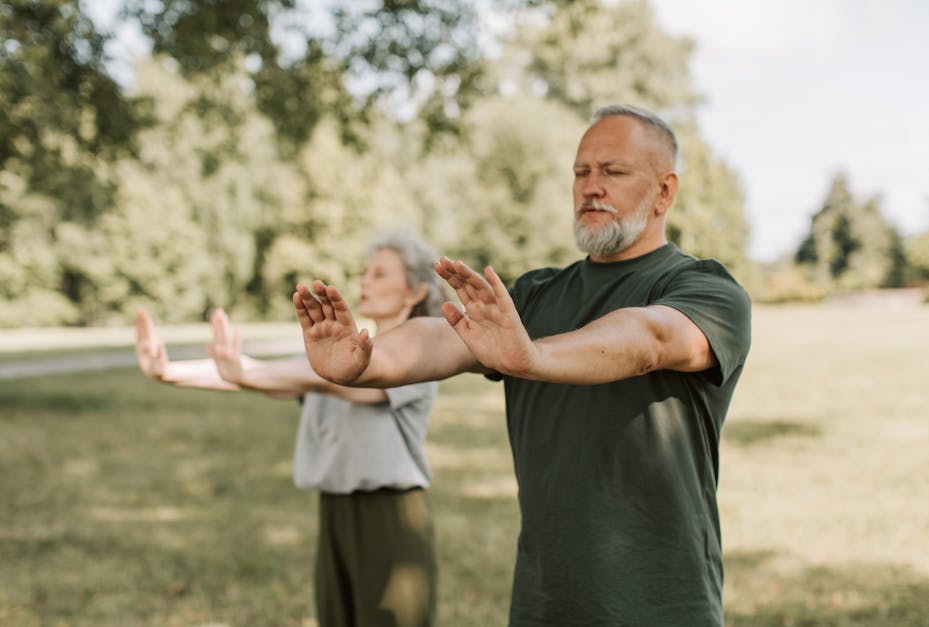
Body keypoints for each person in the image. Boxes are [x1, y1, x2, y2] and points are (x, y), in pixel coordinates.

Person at [293, 104, 752, 626]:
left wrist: (534, 357)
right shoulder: (537, 296)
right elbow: (444, 336)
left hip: (662, 605)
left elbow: (649, 338)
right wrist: (366, 365)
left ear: (665, 192)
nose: (591, 187)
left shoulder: (707, 290)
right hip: (544, 603)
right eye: (581, 172)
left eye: (613, 171)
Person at [135, 229, 446, 627]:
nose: (365, 280)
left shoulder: (421, 353)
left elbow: (330, 380)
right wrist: (167, 372)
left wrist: (247, 369)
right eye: (365, 271)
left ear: (415, 291)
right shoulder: (334, 355)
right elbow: (275, 376)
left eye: (381, 273)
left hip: (390, 515)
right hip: (334, 508)